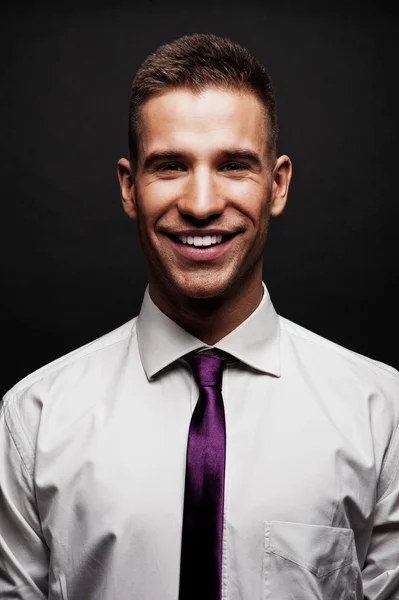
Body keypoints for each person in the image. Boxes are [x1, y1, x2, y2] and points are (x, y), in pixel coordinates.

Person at [1, 33, 398, 600]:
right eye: (169, 166)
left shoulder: (383, 416)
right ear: (128, 187)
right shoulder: (32, 424)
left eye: (234, 165)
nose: (202, 203)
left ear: (278, 185)